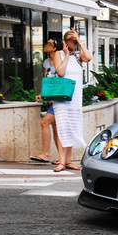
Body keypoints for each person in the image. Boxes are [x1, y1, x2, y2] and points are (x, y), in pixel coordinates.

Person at [51, 28, 92, 172]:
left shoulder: (78, 56)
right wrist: (66, 55)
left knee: (72, 127)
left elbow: (88, 58)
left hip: (74, 97)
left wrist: (80, 41)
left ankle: (67, 161)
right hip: (62, 98)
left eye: (73, 41)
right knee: (62, 127)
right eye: (69, 41)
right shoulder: (59, 54)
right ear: (64, 41)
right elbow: (60, 72)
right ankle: (61, 161)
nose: (71, 43)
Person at [30, 38, 61, 163]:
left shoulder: (61, 61)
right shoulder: (47, 62)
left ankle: (45, 154)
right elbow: (46, 80)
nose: (45, 45)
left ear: (54, 48)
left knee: (44, 122)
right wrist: (43, 94)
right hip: (52, 99)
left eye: (49, 44)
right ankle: (61, 158)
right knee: (55, 127)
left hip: (59, 97)